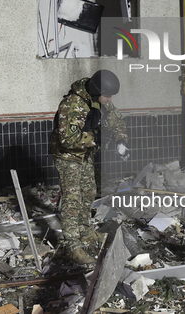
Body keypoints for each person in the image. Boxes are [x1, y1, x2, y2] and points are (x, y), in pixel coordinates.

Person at [49, 69, 130, 264]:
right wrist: (95, 138)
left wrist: (120, 140)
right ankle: (72, 246)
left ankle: (85, 232)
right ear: (96, 91)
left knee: (88, 192)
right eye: (107, 96)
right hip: (67, 156)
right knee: (72, 198)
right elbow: (67, 139)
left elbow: (116, 120)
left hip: (84, 154)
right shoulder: (73, 105)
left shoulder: (99, 99)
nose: (110, 100)